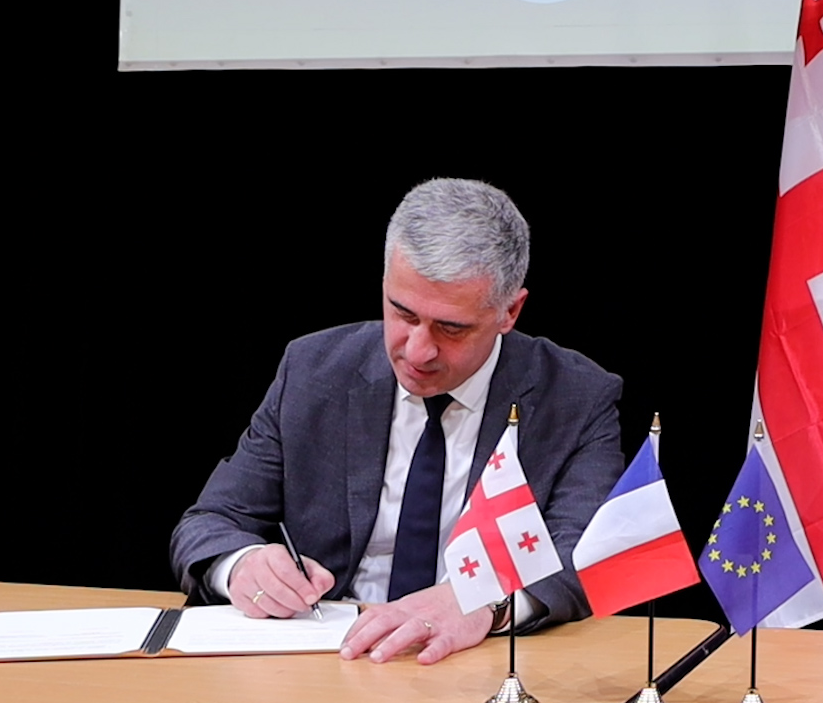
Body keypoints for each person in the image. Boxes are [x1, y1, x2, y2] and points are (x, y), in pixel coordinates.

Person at [170, 178, 623, 664]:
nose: (418, 351)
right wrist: (243, 566)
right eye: (403, 314)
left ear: (509, 311)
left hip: (478, 663)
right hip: (325, 658)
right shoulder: (313, 371)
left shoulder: (574, 397)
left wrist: (482, 602)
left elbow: (584, 555)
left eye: (451, 328)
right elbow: (211, 522)